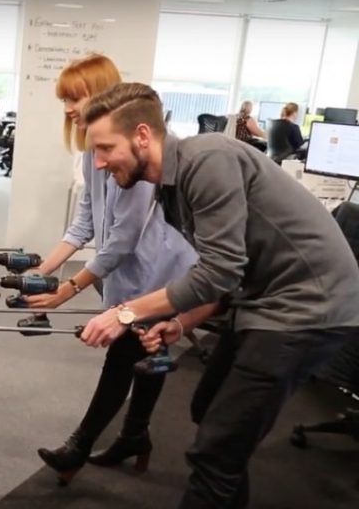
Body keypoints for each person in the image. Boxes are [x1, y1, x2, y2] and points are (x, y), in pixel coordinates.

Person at [79, 82, 359, 509]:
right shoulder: (171, 187)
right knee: (210, 410)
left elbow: (221, 269)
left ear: (141, 135)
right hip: (264, 302)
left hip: (308, 309)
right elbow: (228, 269)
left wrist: (125, 313)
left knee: (216, 449)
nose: (98, 163)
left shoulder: (207, 158)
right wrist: (180, 322)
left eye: (104, 148)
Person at [27, 54, 197, 485]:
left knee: (126, 356)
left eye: (74, 97)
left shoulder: (134, 153)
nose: (67, 108)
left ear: (102, 95)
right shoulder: (92, 152)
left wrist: (68, 289)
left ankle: (79, 446)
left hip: (161, 271)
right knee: (144, 355)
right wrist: (43, 271)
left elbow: (123, 238)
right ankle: (135, 436)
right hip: (124, 272)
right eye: (64, 99)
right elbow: (86, 221)